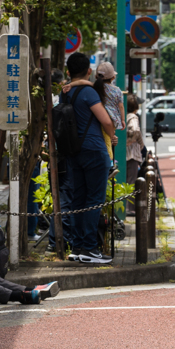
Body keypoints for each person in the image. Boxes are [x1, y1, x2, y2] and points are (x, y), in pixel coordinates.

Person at [59, 52, 115, 264]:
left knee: (78, 200)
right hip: (93, 150)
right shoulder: (89, 93)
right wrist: (112, 135)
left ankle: (78, 247)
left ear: (68, 71)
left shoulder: (65, 92)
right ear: (89, 71)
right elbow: (106, 121)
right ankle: (90, 249)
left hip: (73, 152)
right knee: (94, 200)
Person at [94, 61, 123, 166]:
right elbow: (121, 107)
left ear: (95, 76)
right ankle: (110, 162)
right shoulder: (116, 91)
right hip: (111, 120)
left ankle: (110, 162)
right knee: (108, 140)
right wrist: (122, 121)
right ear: (113, 77)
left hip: (96, 123)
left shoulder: (92, 90)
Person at [125, 94, 144, 181]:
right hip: (132, 154)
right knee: (131, 182)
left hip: (125, 154)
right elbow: (135, 129)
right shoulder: (133, 117)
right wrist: (130, 140)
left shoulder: (124, 116)